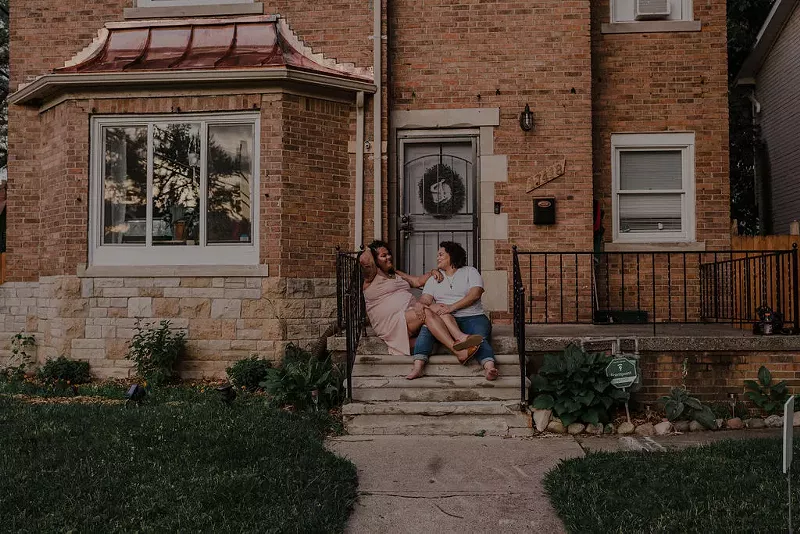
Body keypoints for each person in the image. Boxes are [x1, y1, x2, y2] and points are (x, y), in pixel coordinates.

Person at [359, 240, 483, 379]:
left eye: (388, 254)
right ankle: (457, 350)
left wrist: (432, 272)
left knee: (440, 307)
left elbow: (417, 281)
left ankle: (461, 337)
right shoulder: (371, 277)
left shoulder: (396, 274)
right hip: (392, 323)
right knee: (426, 311)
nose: (388, 257)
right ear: (375, 260)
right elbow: (364, 260)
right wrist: (370, 248)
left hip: (408, 315)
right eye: (383, 256)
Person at [414, 241, 498, 381]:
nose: (437, 258)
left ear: (451, 255)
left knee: (478, 338)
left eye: (441, 254)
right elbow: (426, 299)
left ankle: (489, 367)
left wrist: (451, 307)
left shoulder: (470, 271)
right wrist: (420, 304)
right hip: (444, 319)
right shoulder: (434, 278)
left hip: (473, 316)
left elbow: (475, 294)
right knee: (426, 329)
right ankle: (418, 366)